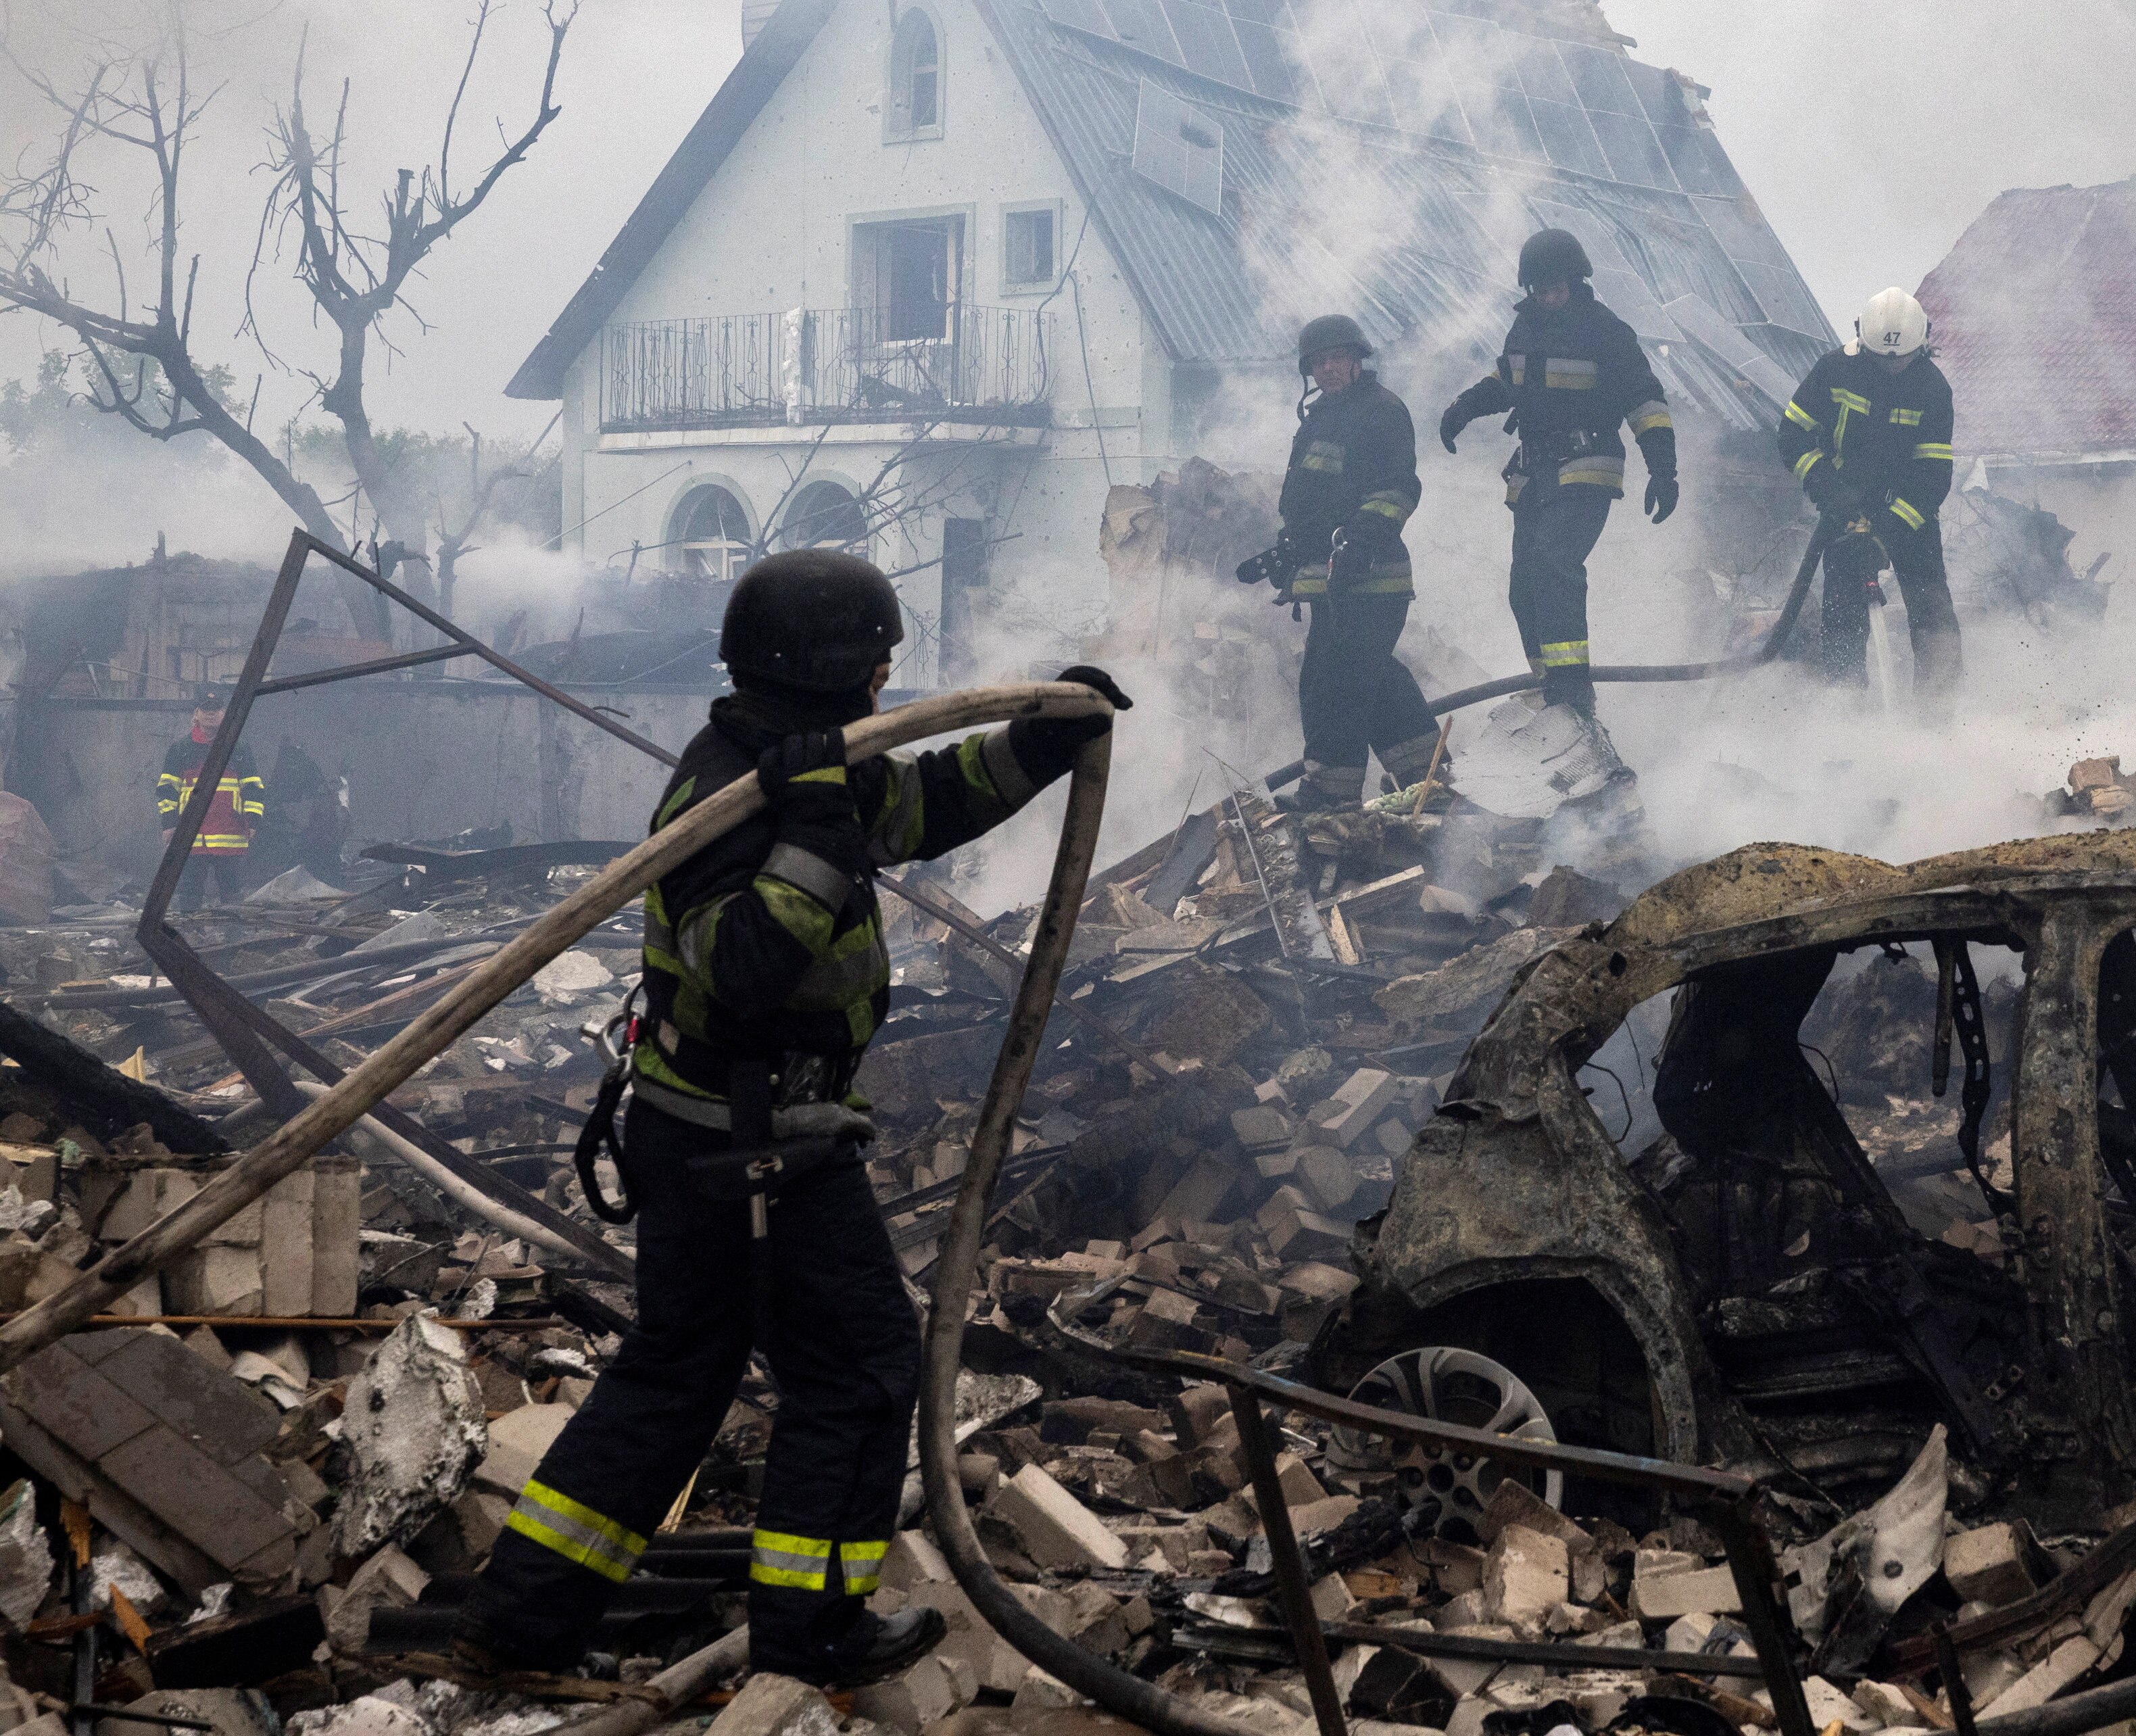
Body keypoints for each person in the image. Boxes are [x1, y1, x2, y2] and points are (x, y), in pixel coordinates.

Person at [462, 550, 1129, 1685]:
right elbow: (740, 970)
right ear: (833, 675)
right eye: (874, 668)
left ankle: (523, 1626)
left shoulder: (804, 764)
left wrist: (1037, 747)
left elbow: (922, 804)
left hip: (717, 1133)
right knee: (865, 1373)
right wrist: (816, 840)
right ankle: (812, 1630)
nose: (885, 686)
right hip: (749, 1149)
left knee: (678, 1367)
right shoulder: (737, 790)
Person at [1438, 228, 1677, 754]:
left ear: (1576, 281)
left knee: (1552, 563)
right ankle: (1553, 688)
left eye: (1557, 288)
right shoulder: (1524, 328)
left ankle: (1574, 695)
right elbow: (1507, 381)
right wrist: (1463, 409)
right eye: (1540, 289)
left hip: (1588, 464)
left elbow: (1645, 400)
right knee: (1523, 586)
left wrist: (1664, 469)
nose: (1549, 297)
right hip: (1536, 471)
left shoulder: (1606, 332)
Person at [1239, 315, 1447, 810]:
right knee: (1368, 679)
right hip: (1335, 584)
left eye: (1337, 358)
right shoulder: (1322, 416)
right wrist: (1291, 550)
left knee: (1334, 687)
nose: (1328, 368)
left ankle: (1329, 798)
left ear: (1357, 360)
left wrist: (1360, 540)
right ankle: (1426, 780)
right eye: (1319, 361)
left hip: (1372, 579)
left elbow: (1398, 489)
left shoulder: (1380, 411)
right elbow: (1316, 502)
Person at [1780, 287, 1962, 710]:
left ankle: (1938, 720)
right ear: (1862, 339)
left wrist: (1887, 536)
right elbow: (1792, 436)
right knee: (1842, 624)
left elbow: (1933, 479)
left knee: (1934, 615)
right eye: (1882, 357)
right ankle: (1848, 721)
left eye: (1901, 358)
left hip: (1908, 518)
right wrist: (1830, 490)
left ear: (1922, 344)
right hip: (1843, 513)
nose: (1892, 365)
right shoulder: (1834, 371)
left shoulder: (1933, 389)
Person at [157, 693, 262, 909]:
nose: (211, 713)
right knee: (190, 890)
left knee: (231, 891)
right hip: (192, 835)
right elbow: (167, 790)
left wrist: (252, 821)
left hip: (230, 833)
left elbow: (253, 788)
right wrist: (169, 824)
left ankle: (233, 936)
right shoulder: (181, 749)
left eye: (216, 708)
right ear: (196, 714)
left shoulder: (239, 748)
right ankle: (191, 933)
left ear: (225, 714)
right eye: (205, 708)